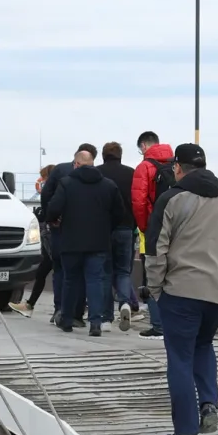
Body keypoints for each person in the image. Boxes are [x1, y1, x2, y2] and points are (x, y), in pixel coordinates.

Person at [145, 143, 218, 435]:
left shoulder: (171, 199)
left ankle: (186, 432)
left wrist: (156, 289)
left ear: (178, 168)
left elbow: (156, 249)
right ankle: (209, 403)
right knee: (203, 345)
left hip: (181, 290)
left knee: (179, 357)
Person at [46, 149, 129, 337]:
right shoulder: (108, 185)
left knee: (70, 280)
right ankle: (96, 323)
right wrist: (107, 227)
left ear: (75, 164)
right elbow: (119, 212)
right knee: (95, 281)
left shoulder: (66, 183)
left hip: (71, 241)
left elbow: (53, 208)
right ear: (92, 163)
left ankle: (66, 320)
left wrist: (56, 221)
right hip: (99, 242)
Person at [40, 143, 97, 325]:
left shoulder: (60, 171)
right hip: (87, 232)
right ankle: (77, 314)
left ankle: (59, 309)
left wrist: (51, 218)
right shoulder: (98, 177)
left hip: (60, 229)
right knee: (80, 273)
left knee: (60, 271)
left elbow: (46, 194)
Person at [133, 133, 175, 339]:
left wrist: (144, 228)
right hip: (176, 228)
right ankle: (172, 323)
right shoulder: (175, 163)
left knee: (152, 276)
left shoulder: (145, 167)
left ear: (143, 145)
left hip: (154, 229)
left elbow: (139, 202)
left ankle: (158, 325)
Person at [98, 142, 141, 331]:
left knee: (106, 273)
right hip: (126, 229)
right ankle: (125, 303)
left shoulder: (97, 173)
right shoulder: (131, 174)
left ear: (103, 155)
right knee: (123, 271)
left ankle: (106, 318)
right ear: (120, 155)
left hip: (104, 230)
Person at [13, 164, 56, 317]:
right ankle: (30, 304)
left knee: (50, 273)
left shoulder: (51, 194)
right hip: (49, 239)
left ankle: (36, 305)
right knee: (42, 272)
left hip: (50, 239)